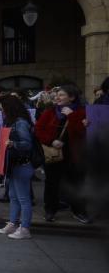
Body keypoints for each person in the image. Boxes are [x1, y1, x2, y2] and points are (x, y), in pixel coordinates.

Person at [35, 84, 89, 223]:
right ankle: (50, 210)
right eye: (57, 95)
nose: (57, 97)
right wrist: (51, 141)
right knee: (52, 183)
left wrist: (72, 116)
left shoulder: (82, 112)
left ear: (72, 97)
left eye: (61, 95)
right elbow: (38, 129)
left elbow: (82, 132)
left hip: (74, 154)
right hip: (55, 153)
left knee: (76, 183)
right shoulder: (50, 112)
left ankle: (78, 211)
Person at [0, 95, 36, 239]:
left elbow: (27, 144)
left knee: (23, 198)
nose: (2, 112)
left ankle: (25, 228)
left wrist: (13, 144)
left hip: (21, 164)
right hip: (13, 164)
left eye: (3, 109)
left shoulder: (20, 123)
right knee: (13, 196)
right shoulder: (12, 122)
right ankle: (12, 223)